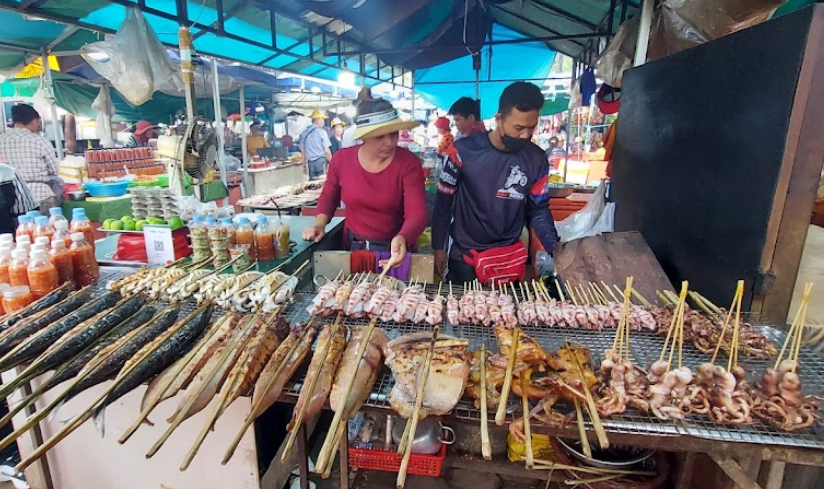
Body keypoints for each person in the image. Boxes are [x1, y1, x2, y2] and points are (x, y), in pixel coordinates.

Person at [432, 82, 558, 284]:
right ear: (499, 119)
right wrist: (438, 247)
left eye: (531, 127)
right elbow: (443, 201)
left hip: (508, 260)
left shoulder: (536, 159)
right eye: (518, 128)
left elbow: (539, 209)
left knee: (506, 314)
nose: (526, 135)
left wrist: (555, 248)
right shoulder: (462, 151)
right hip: (466, 258)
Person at [303, 97, 427, 270]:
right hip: (353, 248)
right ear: (365, 137)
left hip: (394, 251)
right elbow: (329, 195)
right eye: (380, 137)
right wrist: (320, 223)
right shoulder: (342, 160)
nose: (390, 142)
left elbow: (417, 213)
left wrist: (403, 237)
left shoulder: (408, 163)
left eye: (393, 134)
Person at [0, 104, 61, 213]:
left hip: (10, 198)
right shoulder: (40, 141)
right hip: (40, 195)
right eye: (38, 123)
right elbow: (54, 170)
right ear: (33, 121)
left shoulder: (1, 140)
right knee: (44, 229)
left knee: (19, 230)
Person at [299, 110, 333, 180]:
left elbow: (302, 151)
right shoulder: (322, 132)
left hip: (310, 163)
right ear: (318, 120)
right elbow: (326, 150)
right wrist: (332, 162)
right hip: (321, 162)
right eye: (322, 119)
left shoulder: (304, 133)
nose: (323, 121)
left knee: (313, 184)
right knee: (322, 182)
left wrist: (304, 166)